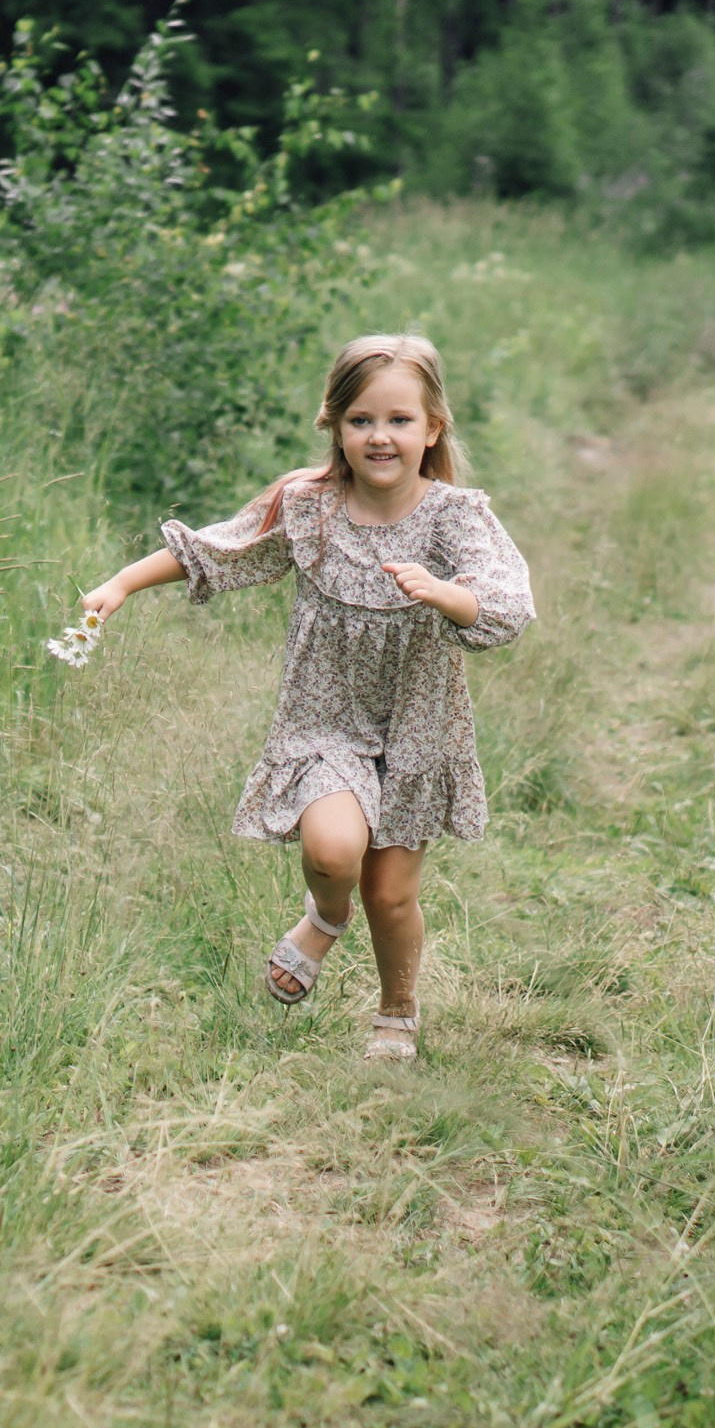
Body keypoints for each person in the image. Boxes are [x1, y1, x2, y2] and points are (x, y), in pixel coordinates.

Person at [77, 334, 534, 1060]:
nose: (379, 436)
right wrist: (122, 583)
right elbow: (222, 548)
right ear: (334, 426)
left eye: (399, 420)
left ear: (432, 428)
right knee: (333, 848)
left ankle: (397, 1010)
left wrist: (447, 593)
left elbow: (508, 603)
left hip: (420, 728)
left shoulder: (455, 516)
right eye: (360, 420)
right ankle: (324, 918)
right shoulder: (310, 507)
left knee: (390, 893)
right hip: (326, 721)